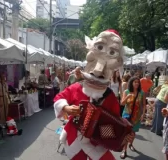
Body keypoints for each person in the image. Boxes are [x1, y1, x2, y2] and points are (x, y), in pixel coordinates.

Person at [53, 29, 129, 160]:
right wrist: (66, 108)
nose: (98, 72)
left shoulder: (110, 97)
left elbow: (117, 121)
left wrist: (125, 133)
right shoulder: (77, 87)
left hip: (97, 142)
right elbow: (59, 98)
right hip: (74, 139)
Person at [120, 76, 146, 159]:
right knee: (126, 134)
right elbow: (122, 104)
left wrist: (143, 115)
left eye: (138, 82)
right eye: (135, 82)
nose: (137, 84)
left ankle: (131, 143)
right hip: (127, 115)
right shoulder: (126, 92)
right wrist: (127, 97)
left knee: (133, 133)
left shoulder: (141, 93)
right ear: (131, 83)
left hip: (136, 116)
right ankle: (124, 150)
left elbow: (144, 105)